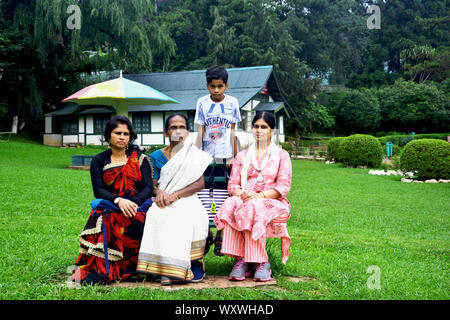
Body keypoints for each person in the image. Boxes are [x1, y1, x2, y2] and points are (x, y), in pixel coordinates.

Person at [72, 115, 153, 285]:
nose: (122, 137)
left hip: (138, 206)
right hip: (112, 205)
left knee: (139, 218)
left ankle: (139, 268)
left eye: (126, 133)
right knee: (109, 218)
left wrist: (133, 202)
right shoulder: (99, 160)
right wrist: (119, 201)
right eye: (118, 133)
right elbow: (98, 190)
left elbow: (148, 188)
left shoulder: (140, 159)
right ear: (108, 135)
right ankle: (105, 269)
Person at [214, 111, 292, 282]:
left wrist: (259, 196)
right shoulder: (242, 156)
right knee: (231, 203)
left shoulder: (281, 155)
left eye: (264, 127)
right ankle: (241, 260)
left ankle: (261, 261)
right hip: (245, 198)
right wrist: (242, 194)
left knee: (253, 206)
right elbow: (232, 184)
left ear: (272, 130)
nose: (259, 130)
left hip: (273, 202)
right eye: (256, 126)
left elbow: (283, 186)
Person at [137, 113, 213, 285]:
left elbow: (200, 184)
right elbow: (153, 185)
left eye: (182, 127)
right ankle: (164, 268)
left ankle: (192, 262)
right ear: (166, 132)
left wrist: (175, 196)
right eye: (173, 127)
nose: (178, 131)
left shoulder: (193, 154)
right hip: (163, 199)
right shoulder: (157, 156)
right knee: (157, 214)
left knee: (185, 215)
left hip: (187, 198)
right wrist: (160, 192)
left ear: (187, 132)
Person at [194, 65, 241, 167]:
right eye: (212, 86)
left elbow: (232, 132)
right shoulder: (202, 102)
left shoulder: (233, 102)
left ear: (226, 86)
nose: (216, 90)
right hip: (206, 157)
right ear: (207, 86)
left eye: (220, 86)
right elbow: (201, 132)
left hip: (226, 157)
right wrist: (195, 155)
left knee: (224, 182)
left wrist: (235, 157)